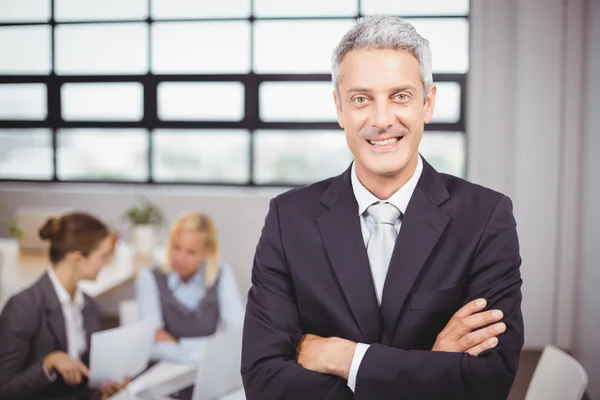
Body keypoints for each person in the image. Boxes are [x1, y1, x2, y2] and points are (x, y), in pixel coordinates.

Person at [241, 15, 524, 400]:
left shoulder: (486, 218)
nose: (381, 119)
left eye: (400, 96)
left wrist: (346, 358)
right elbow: (264, 379)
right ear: (339, 108)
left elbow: (488, 380)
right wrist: (430, 366)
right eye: (361, 99)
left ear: (428, 103)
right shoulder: (288, 219)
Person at [0, 212, 130, 400]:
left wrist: (99, 392)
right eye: (103, 255)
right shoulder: (24, 307)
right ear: (76, 258)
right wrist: (48, 364)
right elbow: (4, 390)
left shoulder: (89, 305)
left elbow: (79, 380)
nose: (108, 261)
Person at [135, 211, 245, 364]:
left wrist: (179, 346)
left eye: (191, 252)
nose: (180, 258)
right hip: (165, 368)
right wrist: (206, 349)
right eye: (176, 247)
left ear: (208, 251)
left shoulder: (222, 274)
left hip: (206, 367)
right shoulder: (150, 277)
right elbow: (154, 336)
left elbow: (238, 330)